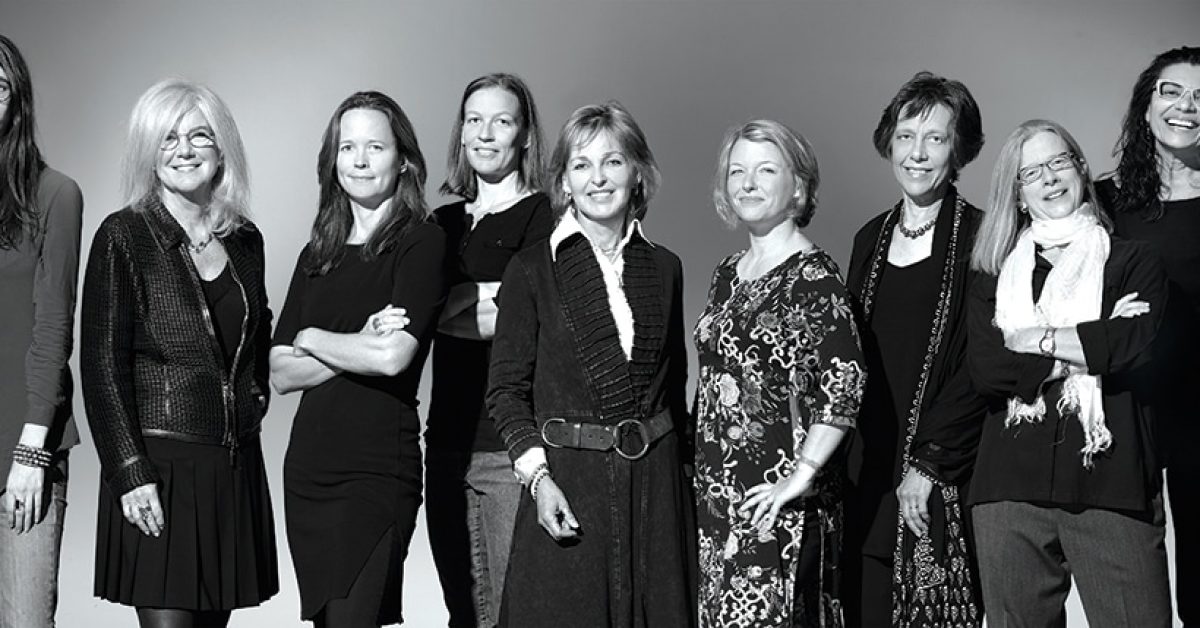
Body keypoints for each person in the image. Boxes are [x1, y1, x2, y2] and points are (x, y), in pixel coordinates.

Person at [487, 100, 693, 627]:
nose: (598, 179)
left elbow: (675, 390)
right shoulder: (531, 270)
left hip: (657, 496)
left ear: (638, 173)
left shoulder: (666, 267)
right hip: (569, 486)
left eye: (613, 162)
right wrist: (538, 481)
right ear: (563, 180)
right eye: (582, 165)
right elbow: (507, 392)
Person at [81, 79, 278, 628]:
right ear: (148, 149)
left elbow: (255, 334)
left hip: (230, 468)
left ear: (221, 152)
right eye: (167, 138)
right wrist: (128, 470)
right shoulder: (123, 237)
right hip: (158, 471)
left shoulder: (245, 240)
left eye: (199, 136)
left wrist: (249, 400)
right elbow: (101, 367)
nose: (184, 151)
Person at [967, 119, 1172, 626]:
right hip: (1007, 491)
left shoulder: (1134, 261)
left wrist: (1031, 341)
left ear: (1080, 169)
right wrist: (1091, 339)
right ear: (1016, 194)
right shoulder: (992, 273)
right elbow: (990, 369)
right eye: (1031, 172)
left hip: (1110, 483)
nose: (1050, 179)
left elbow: (1135, 347)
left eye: (1059, 162)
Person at [270, 91, 445, 628]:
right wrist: (353, 339)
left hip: (375, 471)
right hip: (308, 473)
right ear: (333, 160)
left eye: (375, 146)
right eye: (348, 147)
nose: (361, 160)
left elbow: (393, 356)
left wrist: (314, 335)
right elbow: (279, 372)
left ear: (404, 159)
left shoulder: (422, 242)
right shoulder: (317, 251)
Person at [693, 119, 865, 627]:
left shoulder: (814, 277)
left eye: (766, 170)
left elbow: (844, 383)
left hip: (779, 507)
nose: (747, 183)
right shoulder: (728, 272)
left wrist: (801, 476)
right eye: (737, 170)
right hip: (720, 504)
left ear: (799, 187)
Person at [843, 71, 987, 627]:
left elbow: (982, 363)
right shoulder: (867, 238)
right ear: (889, 143)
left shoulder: (982, 236)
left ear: (959, 150)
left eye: (936, 138)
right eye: (906, 136)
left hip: (941, 473)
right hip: (868, 471)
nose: (918, 153)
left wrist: (928, 465)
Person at [425, 73, 554, 628]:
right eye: (474, 120)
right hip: (445, 440)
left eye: (501, 121)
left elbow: (524, 320)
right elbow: (415, 315)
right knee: (461, 610)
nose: (485, 133)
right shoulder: (442, 221)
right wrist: (474, 302)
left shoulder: (545, 218)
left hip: (506, 446)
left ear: (524, 135)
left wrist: (441, 305)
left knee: (506, 611)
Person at [1098, 45, 1200, 628]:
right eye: (1171, 91)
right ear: (1146, 104)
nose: (1186, 106)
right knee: (1127, 590)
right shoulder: (1103, 202)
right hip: (1121, 413)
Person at [0, 34, 83, 628]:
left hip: (23, 449)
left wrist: (31, 453)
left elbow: (54, 327)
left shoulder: (54, 195)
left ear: (17, 101)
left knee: (25, 621)